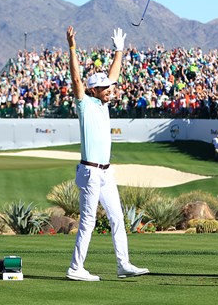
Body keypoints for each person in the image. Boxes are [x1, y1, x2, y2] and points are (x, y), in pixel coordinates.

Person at [65, 25, 149, 282]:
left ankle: (123, 264)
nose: (110, 90)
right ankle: (75, 268)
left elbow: (113, 75)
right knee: (88, 221)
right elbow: (77, 79)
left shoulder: (102, 104)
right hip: (90, 171)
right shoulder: (85, 104)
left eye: (109, 88)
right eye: (104, 88)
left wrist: (119, 51)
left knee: (117, 218)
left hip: (105, 172)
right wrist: (72, 48)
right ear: (93, 90)